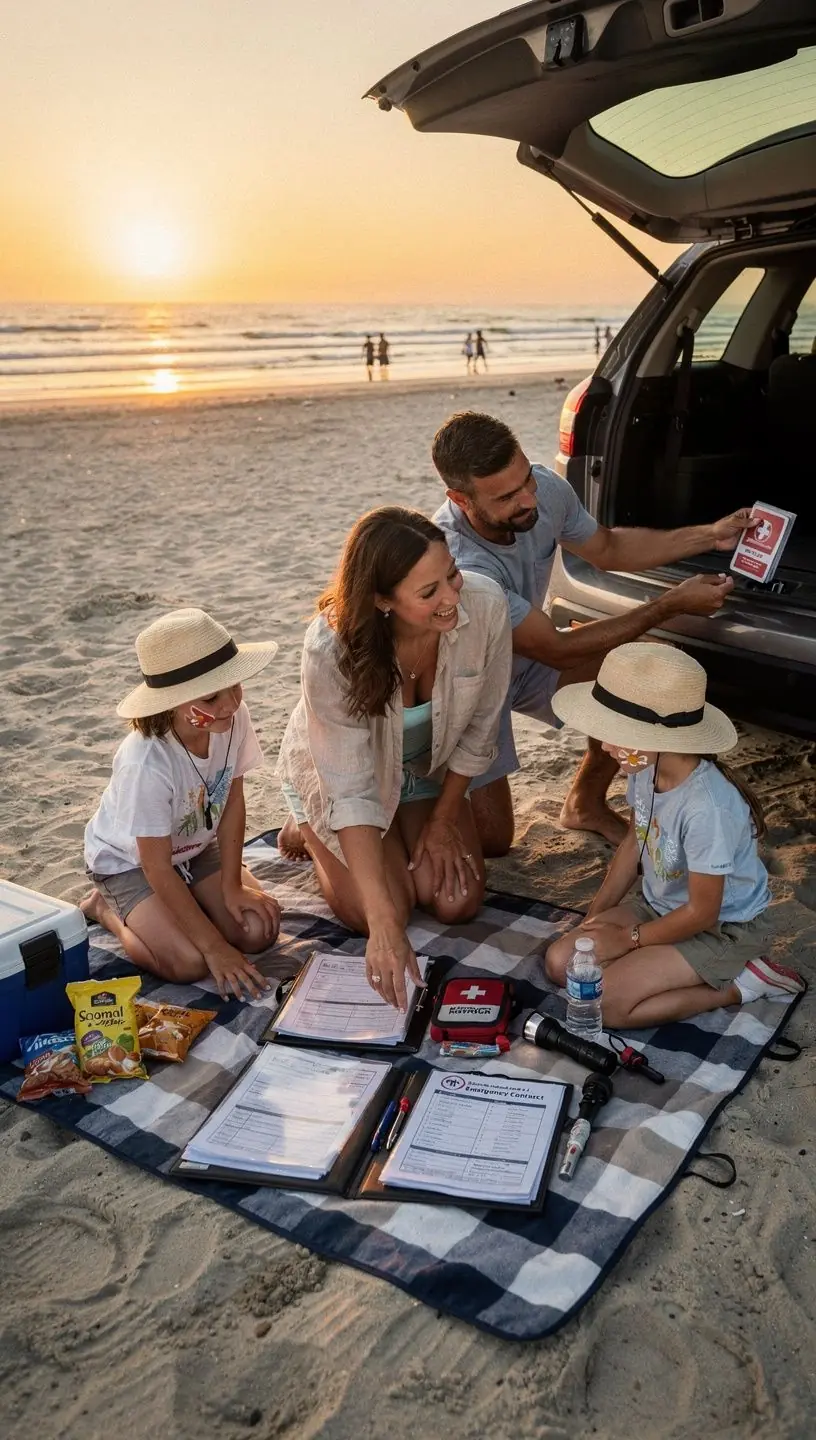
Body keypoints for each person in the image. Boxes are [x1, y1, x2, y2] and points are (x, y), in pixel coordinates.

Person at [431, 410, 760, 854]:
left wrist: (710, 535)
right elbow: (557, 649)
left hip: (525, 658)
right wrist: (669, 605)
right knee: (493, 841)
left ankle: (584, 803)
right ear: (461, 498)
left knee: (639, 667)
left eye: (526, 478)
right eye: (508, 497)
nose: (529, 499)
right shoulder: (462, 564)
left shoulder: (544, 489)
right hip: (468, 686)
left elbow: (607, 547)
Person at [277, 507, 511, 1009]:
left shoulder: (486, 606)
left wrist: (446, 818)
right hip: (346, 778)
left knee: (457, 902)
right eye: (429, 593)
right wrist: (383, 929)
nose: (452, 597)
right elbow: (351, 788)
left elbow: (479, 730)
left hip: (426, 769)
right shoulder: (329, 648)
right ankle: (305, 820)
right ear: (382, 600)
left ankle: (407, 827)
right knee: (381, 913)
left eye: (451, 574)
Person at [543, 643, 804, 1027]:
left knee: (608, 1004)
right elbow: (635, 841)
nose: (604, 746)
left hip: (721, 929)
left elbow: (703, 912)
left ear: (662, 737)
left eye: (618, 733)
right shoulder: (643, 767)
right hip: (659, 907)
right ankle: (648, 959)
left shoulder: (707, 808)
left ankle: (743, 984)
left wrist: (629, 939)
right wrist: (593, 919)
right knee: (561, 965)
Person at [82, 609, 282, 999]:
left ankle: (190, 903)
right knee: (189, 964)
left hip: (196, 847)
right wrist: (213, 947)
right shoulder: (146, 762)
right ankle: (106, 911)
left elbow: (233, 803)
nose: (229, 704)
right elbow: (155, 865)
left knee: (257, 931)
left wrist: (230, 885)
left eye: (234, 686)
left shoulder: (233, 719)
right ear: (170, 703)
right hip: (131, 865)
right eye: (211, 696)